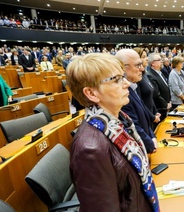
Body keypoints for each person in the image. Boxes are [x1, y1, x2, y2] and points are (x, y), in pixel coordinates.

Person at [67, 53, 159, 212]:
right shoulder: (90, 149)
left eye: (123, 77)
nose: (127, 84)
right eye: (116, 80)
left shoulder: (120, 121)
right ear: (91, 93)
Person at [116, 49, 158, 154]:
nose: (142, 69)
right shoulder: (123, 94)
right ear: (123, 67)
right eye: (138, 65)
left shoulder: (134, 87)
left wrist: (152, 136)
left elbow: (144, 114)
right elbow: (133, 125)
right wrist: (150, 144)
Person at [133, 47, 161, 129]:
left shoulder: (144, 74)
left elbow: (150, 96)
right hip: (144, 117)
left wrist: (155, 112)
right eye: (143, 57)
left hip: (151, 114)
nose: (147, 59)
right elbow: (140, 101)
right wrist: (152, 116)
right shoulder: (137, 77)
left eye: (146, 56)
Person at [146, 53, 171, 122]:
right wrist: (166, 104)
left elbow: (166, 88)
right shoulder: (150, 75)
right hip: (160, 108)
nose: (161, 61)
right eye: (159, 60)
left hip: (166, 105)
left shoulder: (160, 72)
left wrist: (169, 101)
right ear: (153, 63)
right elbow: (156, 94)